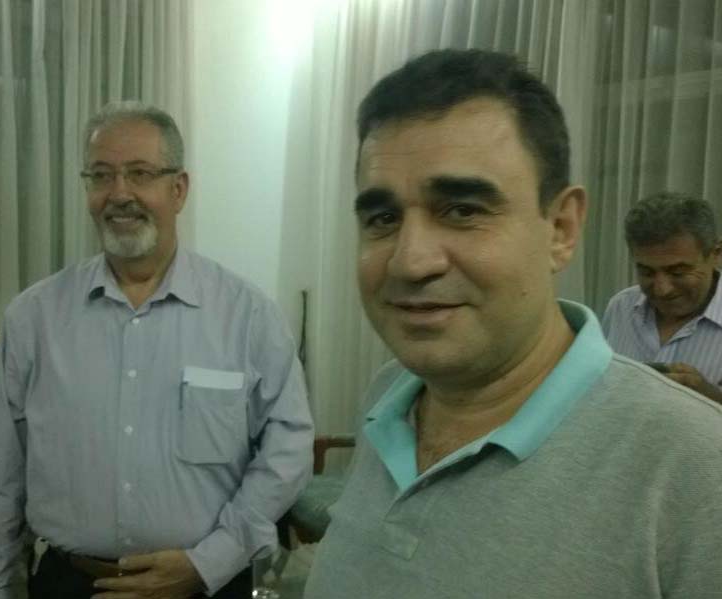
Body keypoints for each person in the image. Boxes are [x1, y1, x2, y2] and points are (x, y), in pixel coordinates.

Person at [303, 49, 722, 598]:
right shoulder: (391, 397)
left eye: (463, 210)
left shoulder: (697, 466)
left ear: (561, 229)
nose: (410, 261)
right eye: (382, 218)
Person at [0, 101, 314, 599]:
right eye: (101, 176)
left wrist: (213, 560)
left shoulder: (247, 316)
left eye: (140, 173)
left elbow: (287, 452)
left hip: (208, 585)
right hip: (70, 584)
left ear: (178, 189)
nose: (119, 194)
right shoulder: (32, 320)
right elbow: (2, 473)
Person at [602, 192, 722, 403]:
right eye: (646, 272)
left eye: (678, 272)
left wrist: (713, 400)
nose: (661, 290)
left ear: (716, 254)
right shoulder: (620, 307)